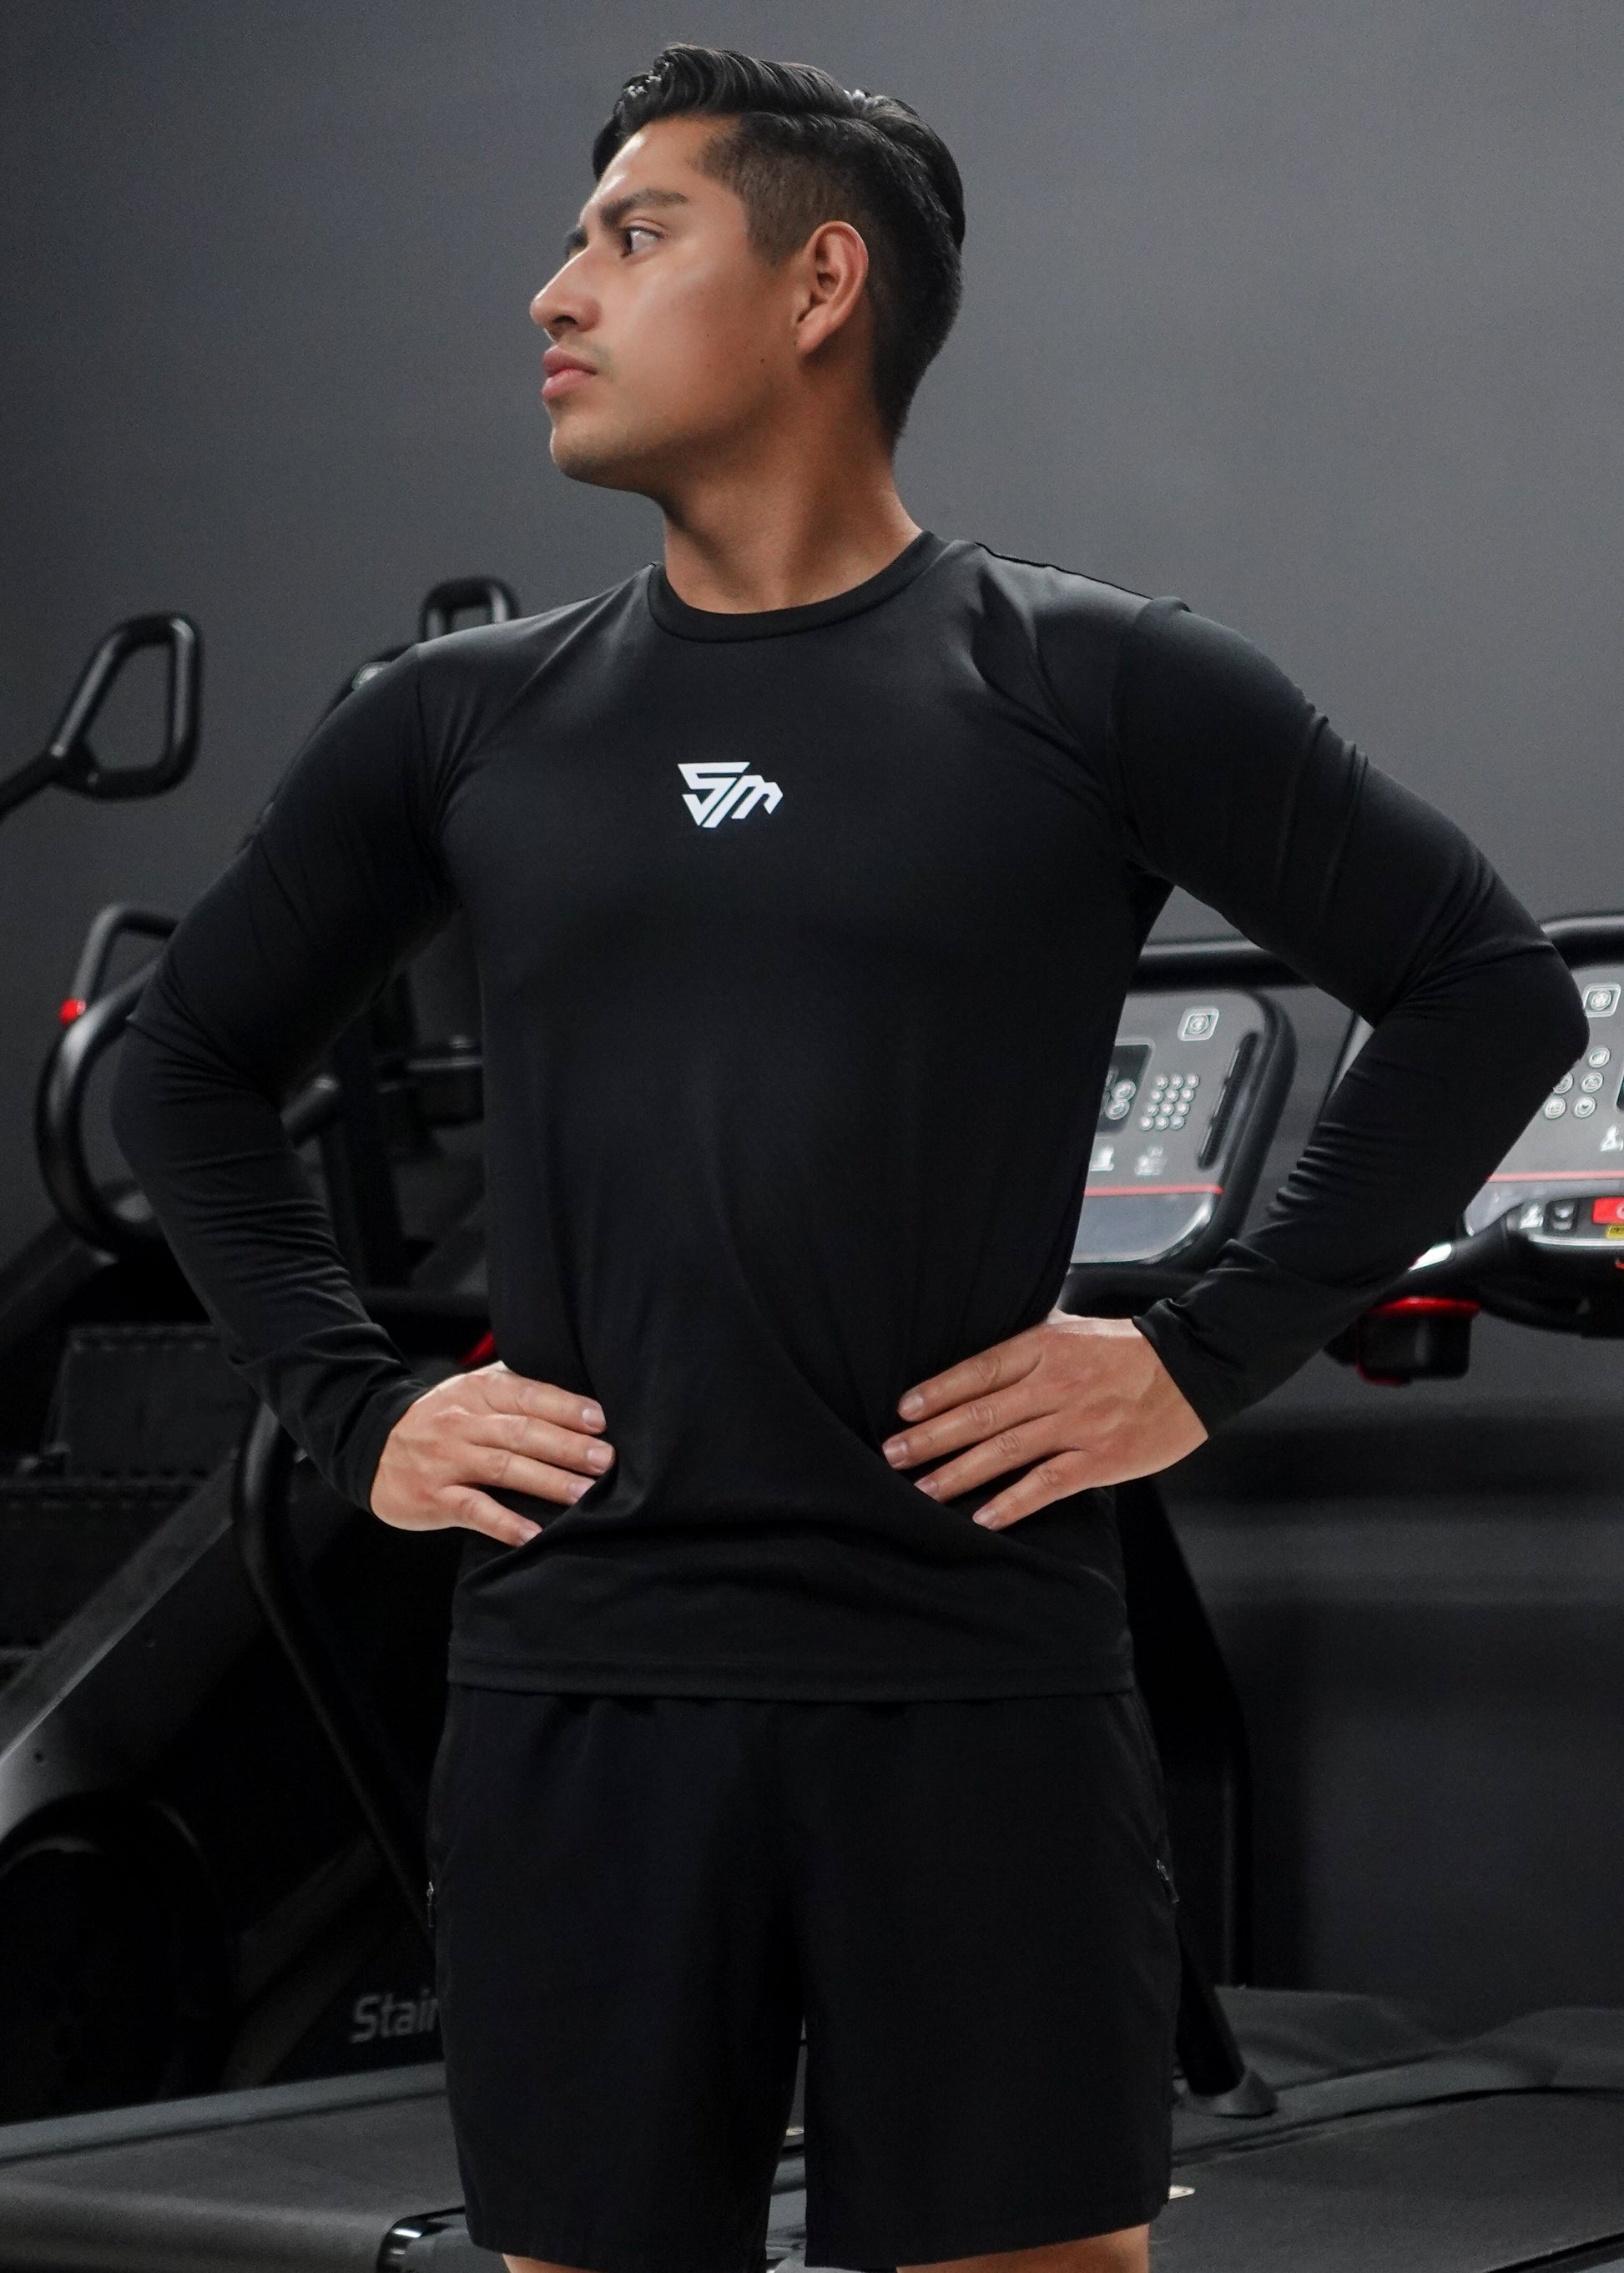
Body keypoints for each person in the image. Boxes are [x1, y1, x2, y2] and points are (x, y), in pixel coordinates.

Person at [111, 41, 1586, 2273]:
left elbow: (1487, 988)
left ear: (821, 285)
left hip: (974, 1683)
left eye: (633, 235)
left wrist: (1200, 1356)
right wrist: (355, 1405)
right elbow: (187, 1069)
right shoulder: (460, 719)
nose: (555, 291)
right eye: (571, 239)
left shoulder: (1087, 679)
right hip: (584, 1687)